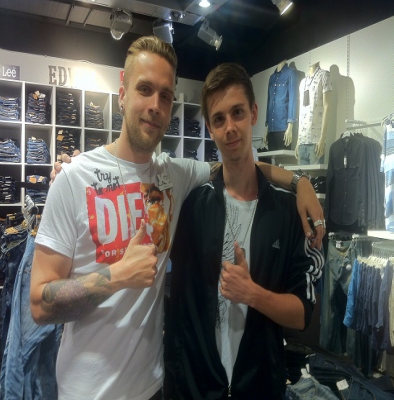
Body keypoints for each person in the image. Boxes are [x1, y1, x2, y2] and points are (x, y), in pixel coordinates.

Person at [31, 36, 324, 400]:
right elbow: (39, 304)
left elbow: (234, 162)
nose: (155, 105)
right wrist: (118, 275)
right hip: (87, 391)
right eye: (144, 89)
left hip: (155, 386)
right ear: (122, 94)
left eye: (166, 96)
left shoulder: (174, 175)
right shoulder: (73, 179)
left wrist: (300, 182)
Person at [165, 63, 325, 399]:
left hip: (259, 387)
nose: (230, 128)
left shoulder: (287, 212)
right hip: (197, 387)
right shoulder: (191, 205)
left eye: (237, 112)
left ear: (253, 113)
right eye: (219, 119)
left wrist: (253, 294)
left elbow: (303, 315)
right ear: (210, 129)